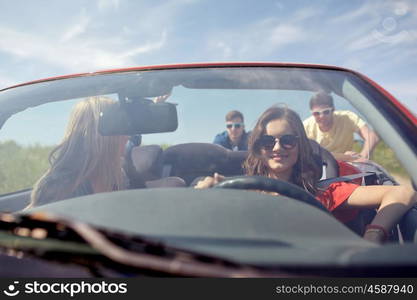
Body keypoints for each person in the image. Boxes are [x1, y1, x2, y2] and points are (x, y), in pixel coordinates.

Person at [196, 106, 416, 244]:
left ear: (301, 145)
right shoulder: (237, 192)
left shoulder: (323, 193)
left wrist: (373, 235)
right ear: (258, 148)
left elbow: (403, 193)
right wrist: (210, 190)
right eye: (267, 141)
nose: (277, 147)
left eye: (288, 140)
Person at [28, 96, 129, 208]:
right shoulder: (60, 190)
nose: (127, 136)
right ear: (100, 137)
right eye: (121, 128)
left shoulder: (117, 176)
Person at [303, 92, 379, 162]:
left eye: (326, 112)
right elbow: (306, 155)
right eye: (316, 113)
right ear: (312, 114)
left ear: (333, 110)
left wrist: (362, 157)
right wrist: (345, 157)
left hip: (347, 168)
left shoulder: (348, 118)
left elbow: (372, 137)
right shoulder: (306, 126)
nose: (321, 116)